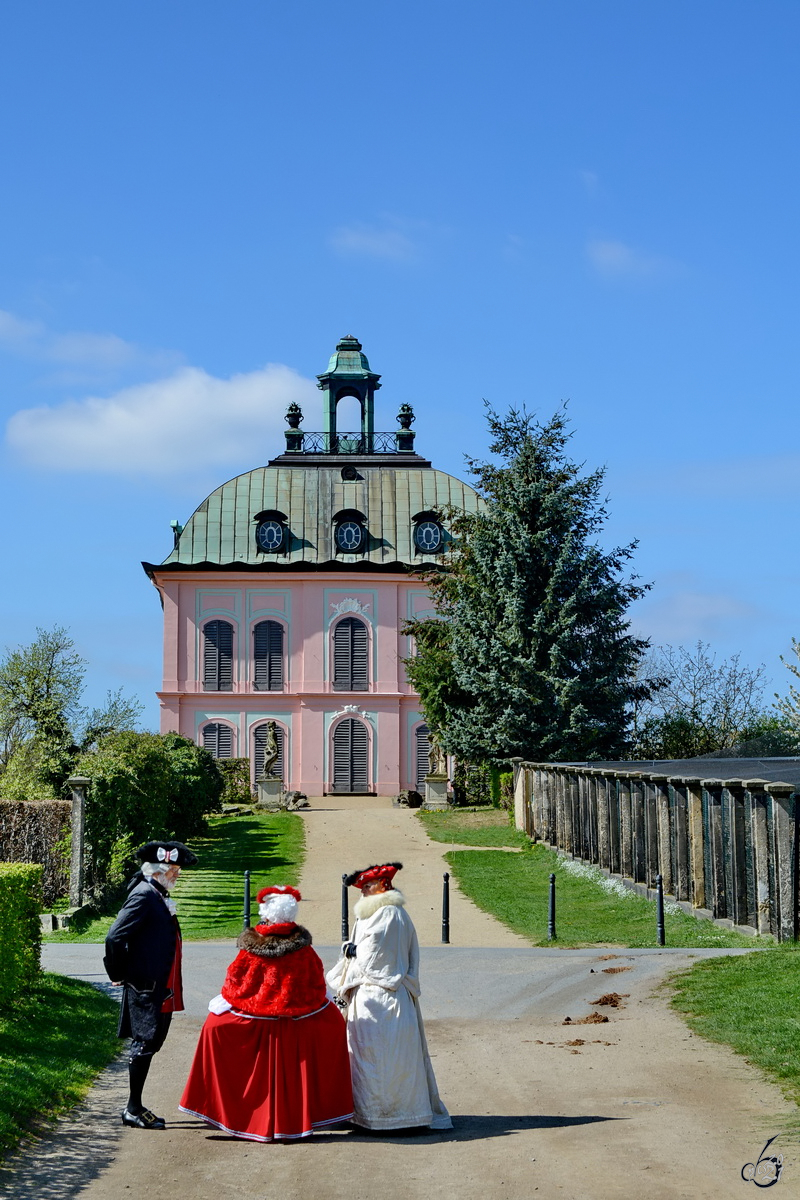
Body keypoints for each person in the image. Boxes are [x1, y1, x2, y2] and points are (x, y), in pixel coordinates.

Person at [179, 885, 353, 1142]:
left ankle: (230, 1110)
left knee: (214, 1026)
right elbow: (316, 983)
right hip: (298, 1018)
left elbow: (234, 984)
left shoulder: (252, 947)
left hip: (256, 1018)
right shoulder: (303, 948)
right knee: (334, 1024)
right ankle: (318, 1112)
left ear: (267, 913)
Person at [326, 862, 452, 1132]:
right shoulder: (371, 914)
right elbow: (361, 950)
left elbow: (376, 958)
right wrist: (350, 953)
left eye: (367, 886)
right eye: (361, 888)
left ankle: (399, 1117)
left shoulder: (391, 914)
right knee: (365, 1056)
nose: (363, 892)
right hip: (368, 996)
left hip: (386, 996)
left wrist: (351, 958)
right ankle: (367, 1114)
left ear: (384, 885)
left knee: (390, 1058)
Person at [104, 839, 197, 1130]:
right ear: (159, 870)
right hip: (146, 986)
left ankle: (135, 1106)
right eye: (174, 870)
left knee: (151, 1043)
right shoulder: (144, 895)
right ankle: (132, 1108)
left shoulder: (156, 893)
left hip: (158, 985)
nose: (177, 875)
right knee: (145, 1043)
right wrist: (118, 972)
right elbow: (114, 937)